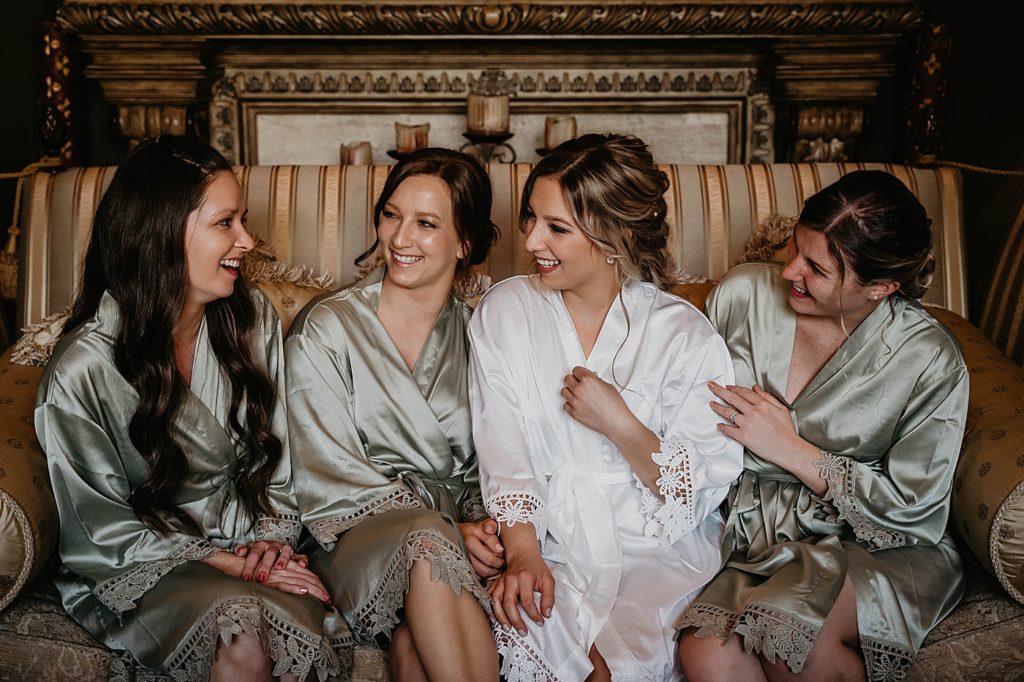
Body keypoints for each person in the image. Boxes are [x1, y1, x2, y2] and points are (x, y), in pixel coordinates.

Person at [35, 135, 348, 682]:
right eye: (225, 223)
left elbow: (282, 462)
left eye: (243, 220)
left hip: (255, 540)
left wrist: (268, 548)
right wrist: (224, 562)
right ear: (161, 235)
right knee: (241, 631)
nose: (248, 241)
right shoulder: (83, 369)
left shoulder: (251, 320)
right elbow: (98, 525)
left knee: (281, 628)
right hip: (145, 564)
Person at [468, 133, 744, 681]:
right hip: (550, 544)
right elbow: (503, 449)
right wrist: (523, 554)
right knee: (549, 648)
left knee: (620, 668)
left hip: (657, 554)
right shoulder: (506, 310)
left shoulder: (684, 334)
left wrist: (620, 423)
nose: (531, 242)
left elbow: (701, 486)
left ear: (616, 234)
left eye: (557, 228)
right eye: (530, 219)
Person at [677, 170, 968, 681]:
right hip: (755, 531)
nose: (790, 271)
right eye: (794, 249)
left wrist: (791, 449)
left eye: (816, 268)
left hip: (873, 543)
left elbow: (915, 511)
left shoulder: (928, 359)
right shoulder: (743, 295)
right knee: (706, 653)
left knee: (794, 636)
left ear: (880, 287)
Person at [285, 147, 502, 681]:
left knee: (413, 651)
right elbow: (326, 475)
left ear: (465, 242)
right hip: (354, 537)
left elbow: (493, 463)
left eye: (426, 224)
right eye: (391, 215)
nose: (400, 239)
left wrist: (486, 531)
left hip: (451, 541)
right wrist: (452, 527)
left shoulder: (483, 336)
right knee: (428, 543)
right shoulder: (327, 328)